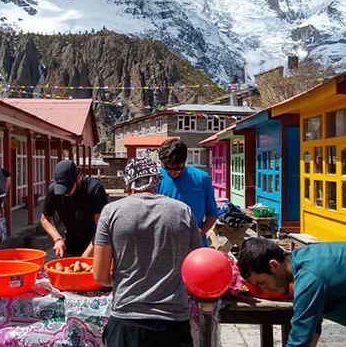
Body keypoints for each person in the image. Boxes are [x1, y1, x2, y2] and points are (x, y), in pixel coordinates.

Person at [93, 157, 202, 347]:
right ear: (157, 180)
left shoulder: (111, 212)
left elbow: (100, 275)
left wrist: (118, 281)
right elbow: (196, 268)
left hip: (127, 320)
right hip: (173, 321)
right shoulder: (183, 211)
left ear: (128, 183)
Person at [238, 238, 346, 347]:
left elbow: (299, 340)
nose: (264, 290)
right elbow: (312, 328)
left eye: (262, 283)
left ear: (273, 265)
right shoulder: (304, 258)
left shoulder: (310, 278)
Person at [156, 138, 218, 246]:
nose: (172, 173)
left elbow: (212, 213)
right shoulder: (156, 178)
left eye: (177, 168)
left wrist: (201, 231)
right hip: (164, 243)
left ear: (185, 160)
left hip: (193, 242)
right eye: (167, 168)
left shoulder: (202, 178)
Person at [41, 159, 109, 258]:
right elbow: (45, 219)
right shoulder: (53, 191)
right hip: (71, 246)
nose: (65, 194)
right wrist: (58, 239)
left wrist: (83, 259)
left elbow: (102, 229)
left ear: (78, 178)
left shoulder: (94, 189)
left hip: (96, 247)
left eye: (68, 190)